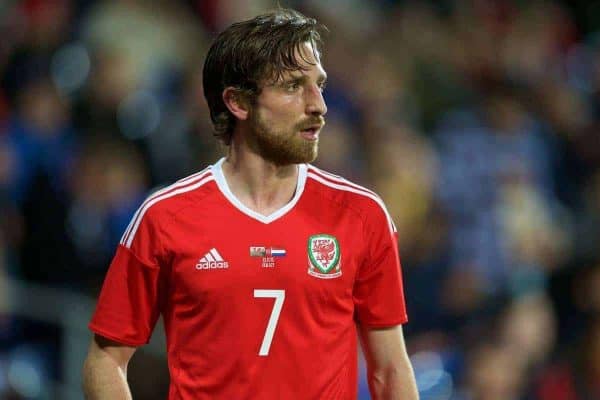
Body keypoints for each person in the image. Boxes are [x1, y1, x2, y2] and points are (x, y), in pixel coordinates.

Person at [82, 8, 419, 400]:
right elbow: (105, 360)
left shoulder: (363, 215)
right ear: (239, 103)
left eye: (320, 85)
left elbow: (391, 369)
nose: (319, 106)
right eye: (294, 86)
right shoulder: (165, 217)